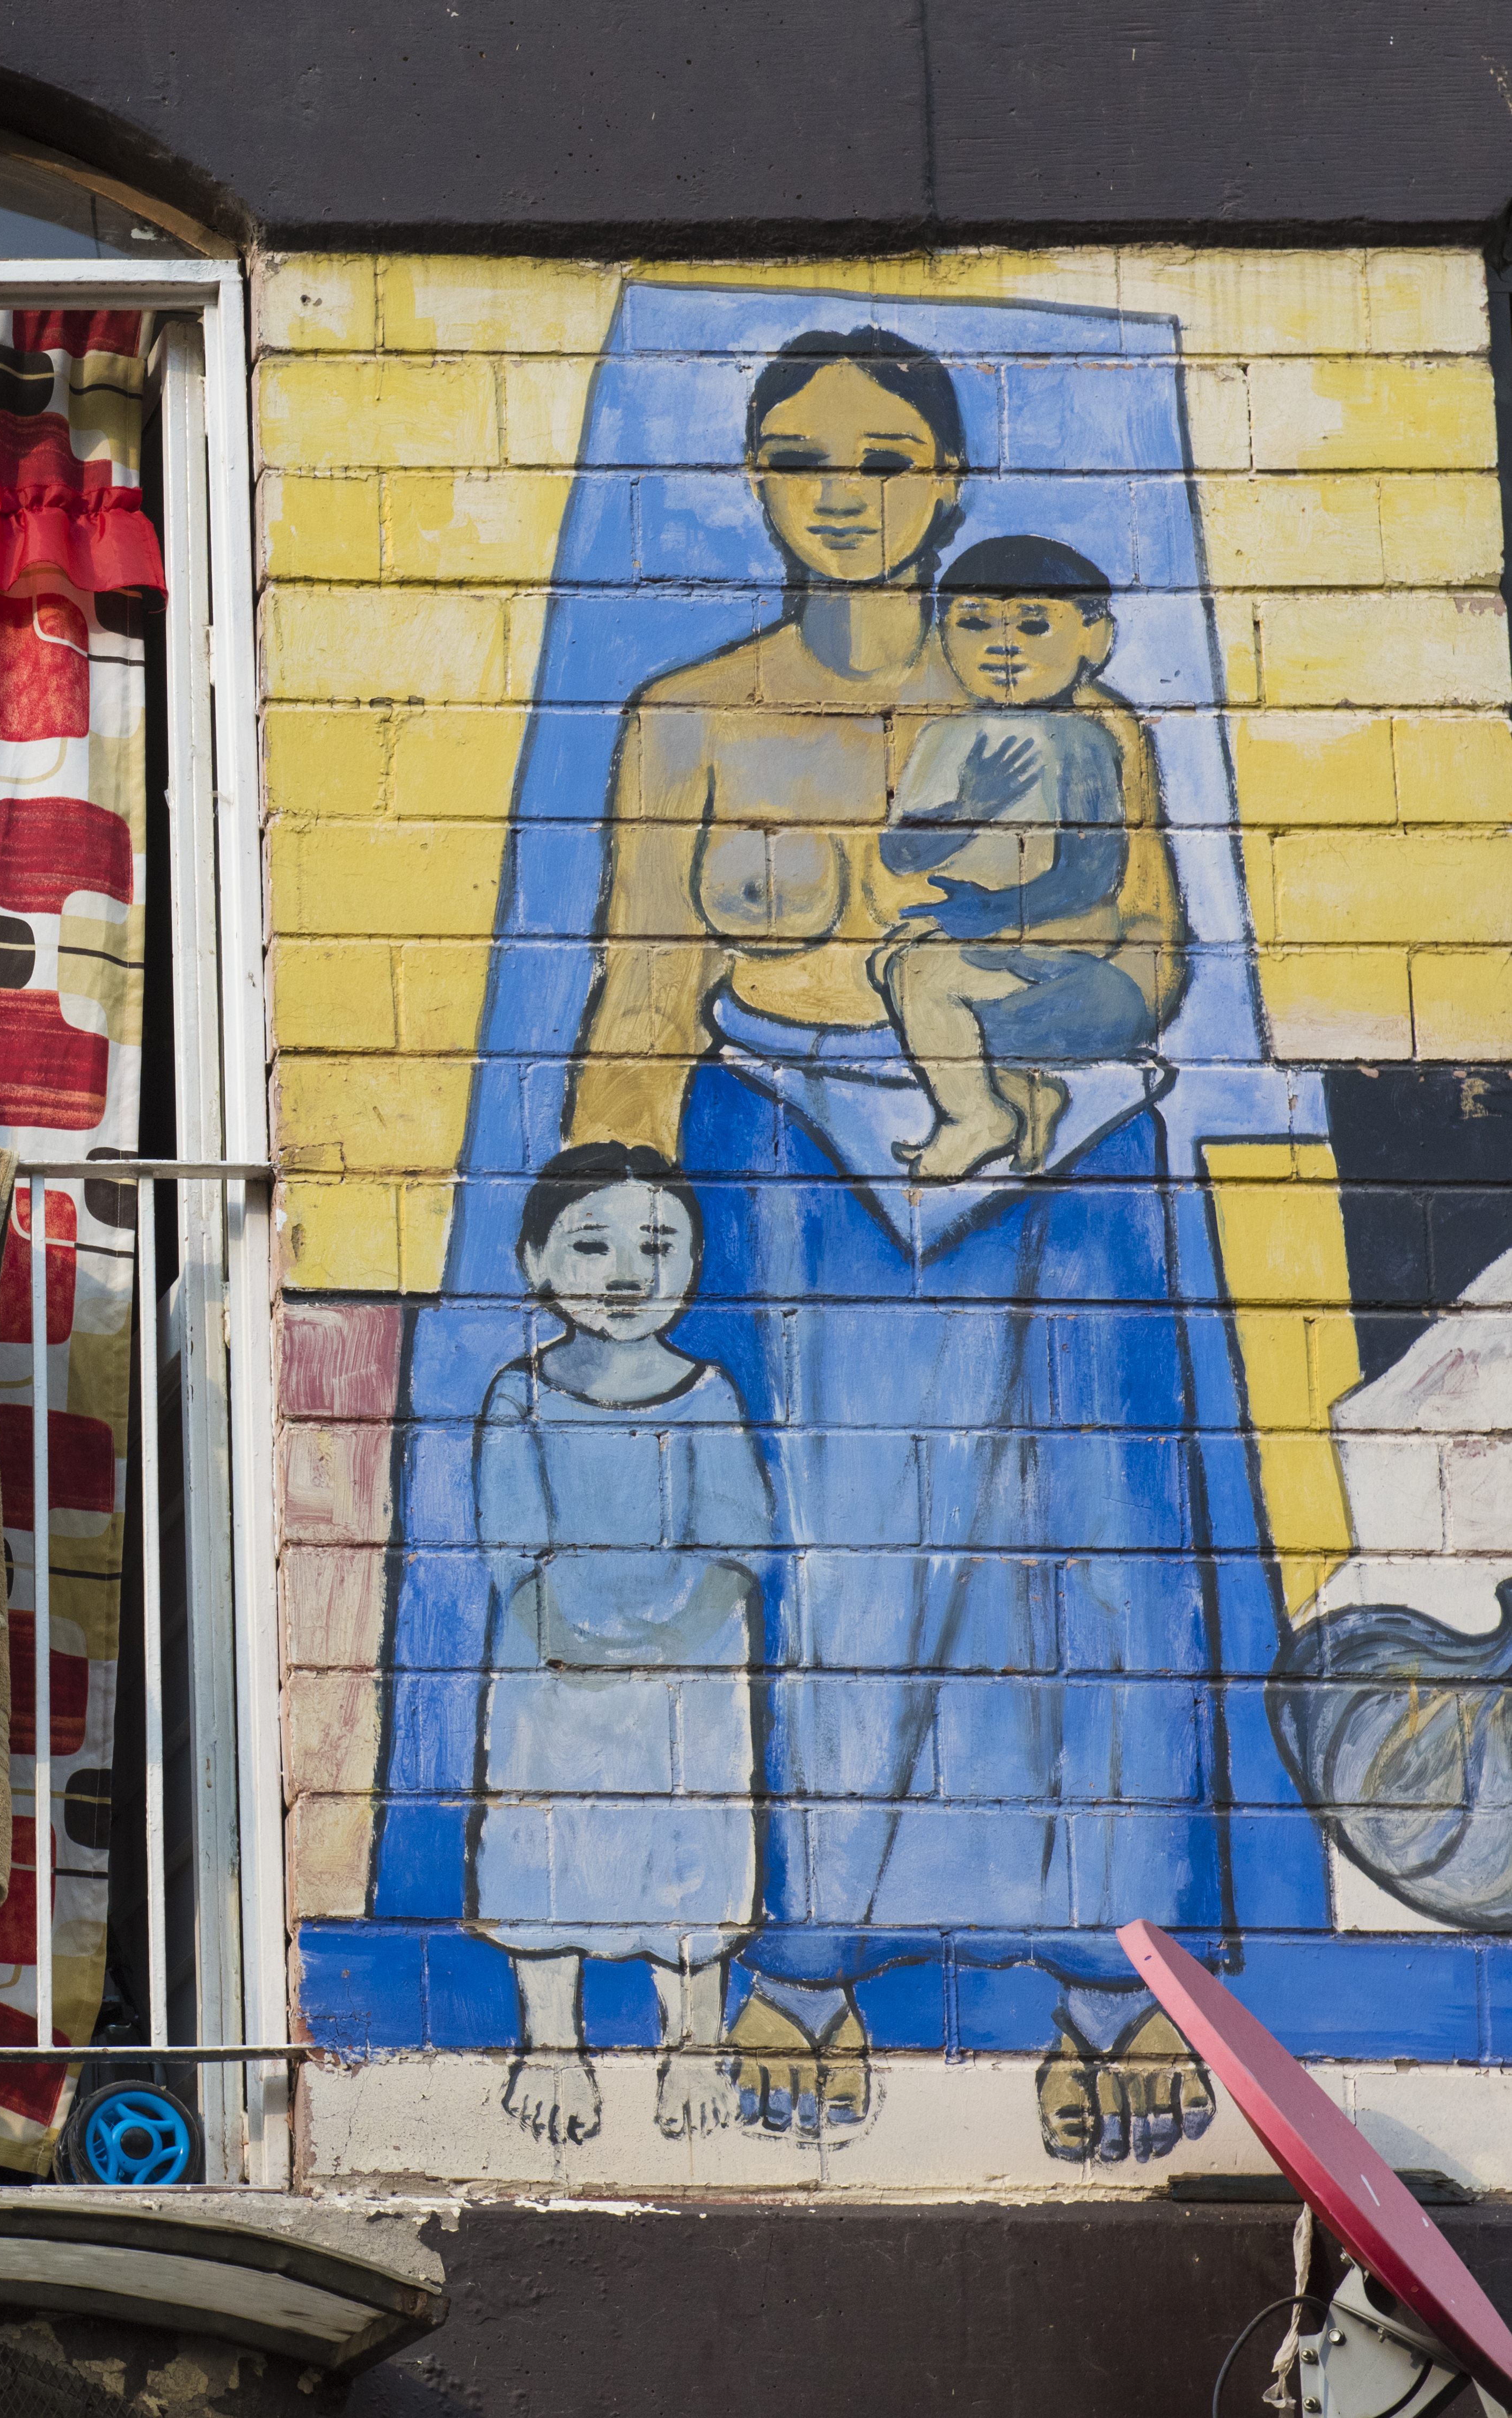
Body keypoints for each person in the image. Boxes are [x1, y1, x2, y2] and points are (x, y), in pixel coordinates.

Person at [563, 323, 1225, 2160]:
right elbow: (640, 989)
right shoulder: (687, 714)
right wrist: (602, 1236)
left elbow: (1154, 958)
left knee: (1089, 1574)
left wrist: (1002, 1023)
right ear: (756, 482)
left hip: (1053, 1170)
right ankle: (811, 1958)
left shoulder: (1077, 718)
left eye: (880, 457)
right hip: (785, 1159)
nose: (841, 489)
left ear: (947, 483)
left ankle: (1121, 1983)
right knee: (831, 1568)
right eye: (800, 455)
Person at [469, 1144, 770, 2149]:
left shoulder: (709, 1393)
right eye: (592, 1246)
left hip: (688, 1685)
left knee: (692, 1850)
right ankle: (551, 2043)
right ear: (533, 1261)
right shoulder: (521, 1396)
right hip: (553, 1681)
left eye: (657, 1246)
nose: (628, 1276)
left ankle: (692, 2043)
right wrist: (573, 1639)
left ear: (694, 1263)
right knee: (542, 1850)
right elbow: (513, 1546)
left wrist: (670, 1640)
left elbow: (737, 1545)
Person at [872, 535, 1158, 1182]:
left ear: (1094, 639)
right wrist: (968, 806)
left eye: (1034, 625)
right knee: (894, 964)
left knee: (923, 979)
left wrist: (997, 911)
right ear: (944, 634)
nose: (1003, 645)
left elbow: (1092, 872)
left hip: (1076, 977)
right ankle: (1019, 1096)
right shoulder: (944, 738)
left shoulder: (1082, 741)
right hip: (992, 958)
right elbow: (902, 853)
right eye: (975, 623)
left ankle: (979, 1117)